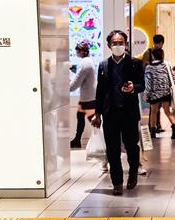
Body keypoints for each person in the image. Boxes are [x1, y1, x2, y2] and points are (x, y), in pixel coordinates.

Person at [91, 30, 145, 196]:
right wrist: (97, 113)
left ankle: (133, 172)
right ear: (108, 45)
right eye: (114, 43)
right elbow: (100, 91)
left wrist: (133, 88)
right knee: (112, 150)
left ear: (126, 44)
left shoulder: (135, 63)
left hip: (128, 112)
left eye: (121, 42)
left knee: (131, 146)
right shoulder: (103, 65)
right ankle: (117, 182)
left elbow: (142, 85)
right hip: (110, 113)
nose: (118, 45)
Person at [144, 47, 175, 139]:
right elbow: (171, 77)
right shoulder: (166, 64)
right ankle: (174, 127)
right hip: (165, 91)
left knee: (154, 112)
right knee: (167, 111)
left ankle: (153, 131)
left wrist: (146, 93)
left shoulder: (149, 67)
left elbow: (148, 82)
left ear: (152, 56)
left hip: (154, 93)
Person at [69, 42, 98, 152]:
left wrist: (69, 87)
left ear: (82, 51)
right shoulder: (88, 61)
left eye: (77, 50)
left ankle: (103, 139)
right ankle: (77, 140)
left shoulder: (85, 63)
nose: (76, 53)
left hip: (89, 96)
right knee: (80, 116)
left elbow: (78, 79)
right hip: (88, 95)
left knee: (93, 120)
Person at [141, 34, 166, 132]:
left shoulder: (161, 52)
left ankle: (156, 125)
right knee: (153, 106)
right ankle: (152, 126)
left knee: (158, 105)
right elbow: (145, 66)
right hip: (152, 82)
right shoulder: (148, 52)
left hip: (159, 82)